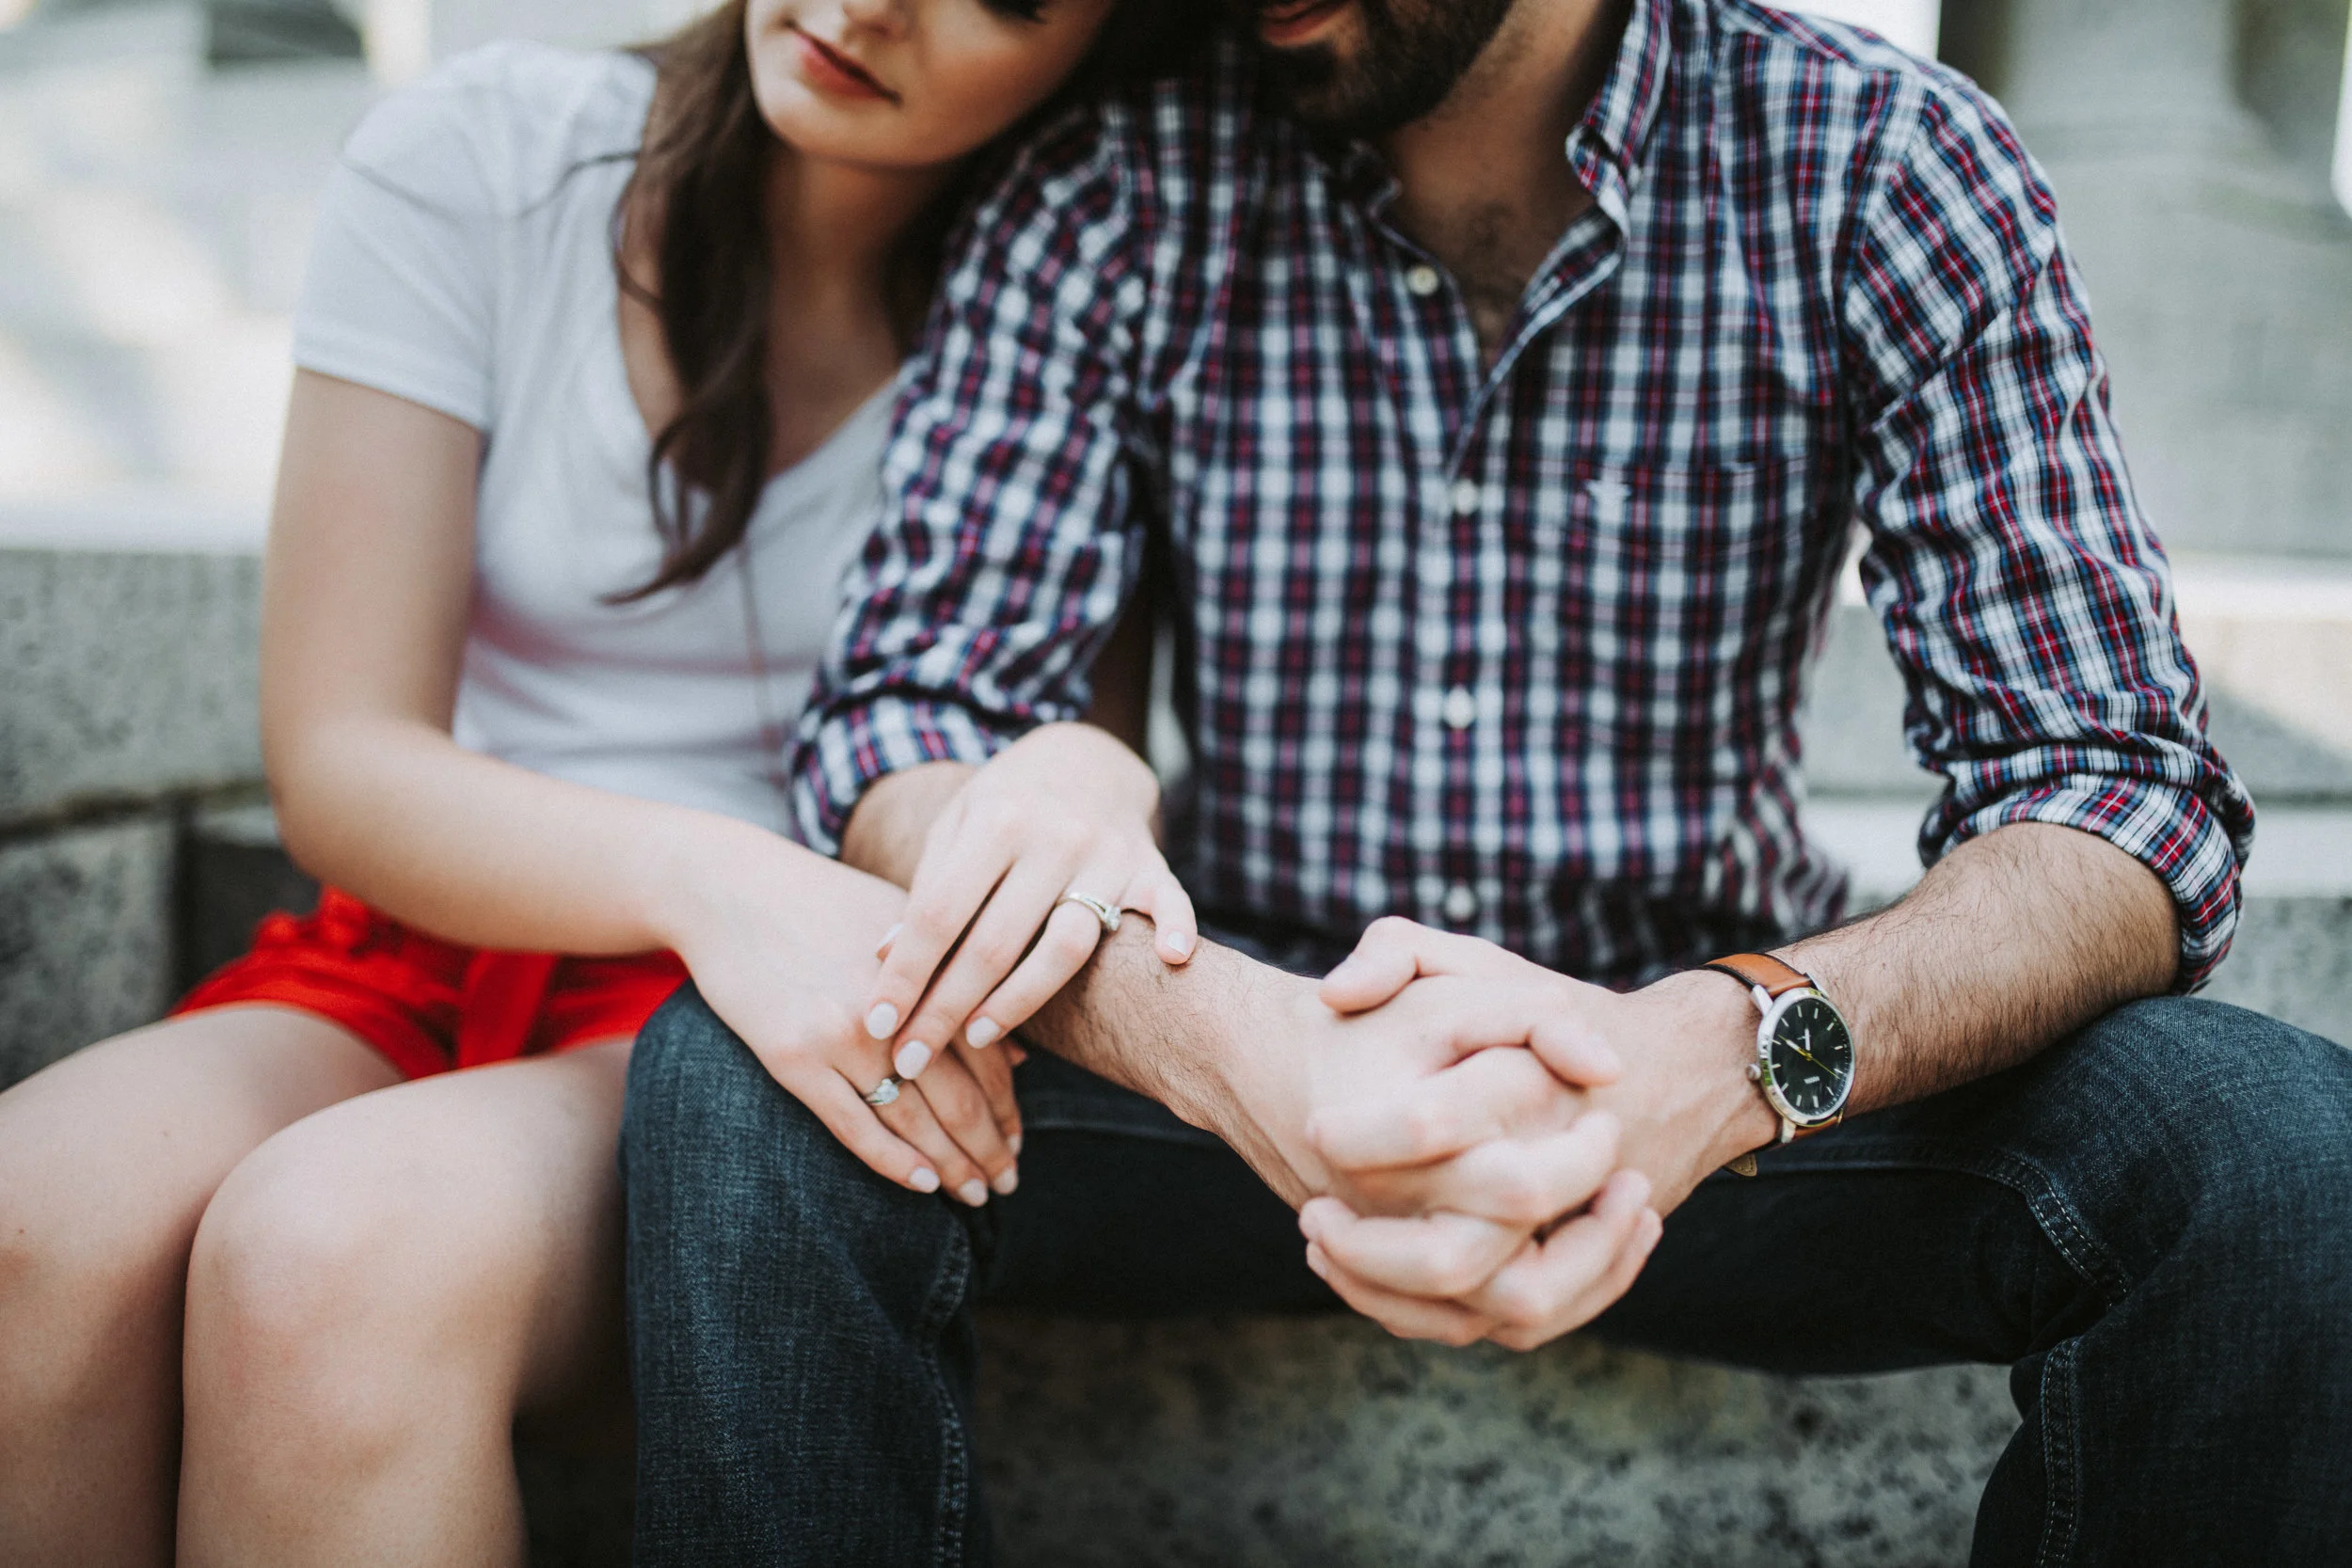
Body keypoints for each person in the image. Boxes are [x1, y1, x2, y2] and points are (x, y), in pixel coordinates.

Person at [620, 0, 2352, 1562]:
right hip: (1232, 1053)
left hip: (1713, 1106)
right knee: (749, 1074)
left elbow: (2118, 792)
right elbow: (904, 726)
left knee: (2277, 1145)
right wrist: (1239, 1047)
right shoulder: (1118, 177)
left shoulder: (1882, 163)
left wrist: (1718, 1051)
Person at [0, 2, 1214, 1562]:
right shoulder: (488, 157)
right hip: (430, 928)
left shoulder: (1085, 306)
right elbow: (340, 755)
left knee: (328, 1260)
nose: (867, 4)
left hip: (759, 1038)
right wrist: (717, 876)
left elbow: (1028, 787)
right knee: (32, 1218)